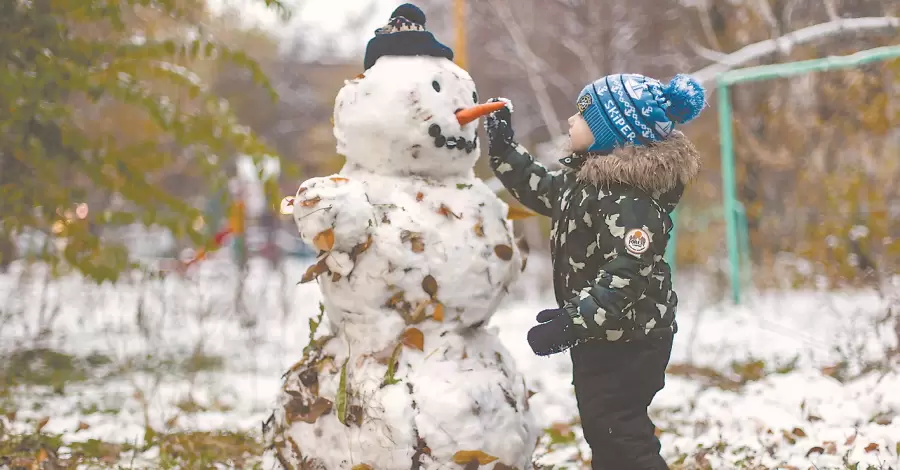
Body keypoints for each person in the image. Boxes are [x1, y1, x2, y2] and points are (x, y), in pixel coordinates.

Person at [483, 73, 706, 470]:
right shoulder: (586, 184)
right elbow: (541, 188)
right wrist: (503, 149)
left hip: (632, 339)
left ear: (612, 132)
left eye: (583, 114)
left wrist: (571, 322)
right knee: (604, 431)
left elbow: (626, 278)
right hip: (604, 334)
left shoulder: (629, 200)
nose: (570, 120)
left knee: (620, 432)